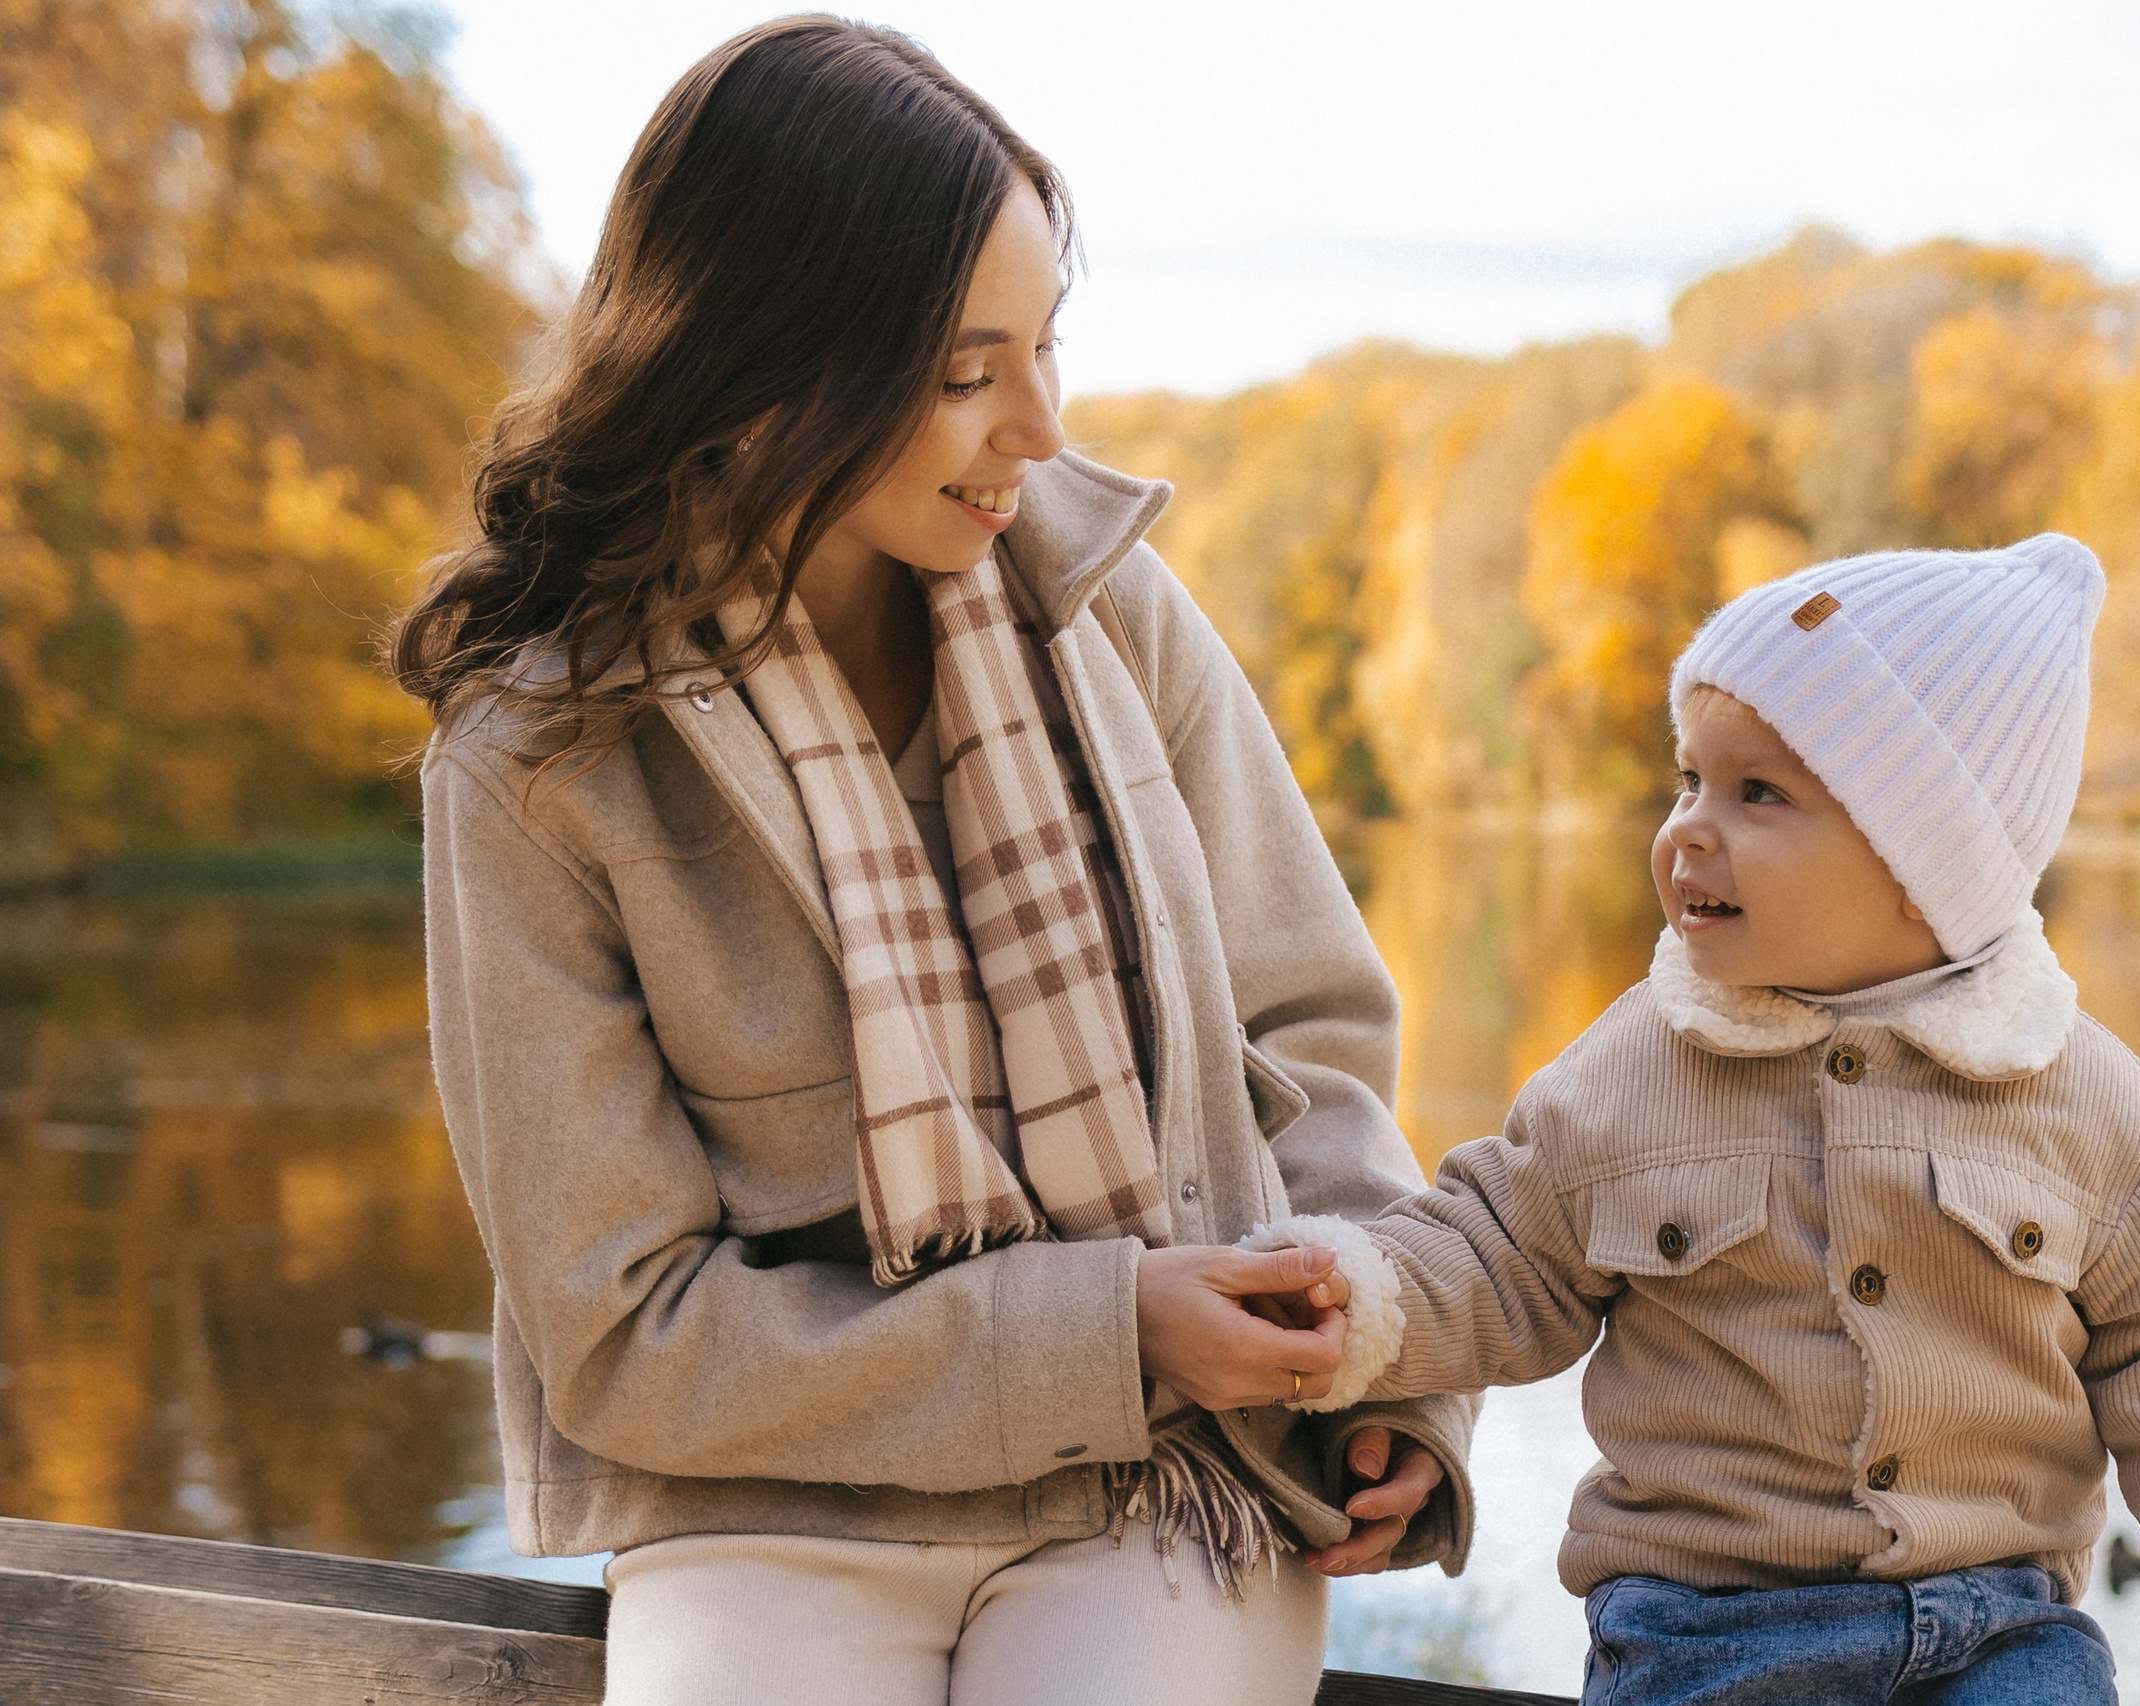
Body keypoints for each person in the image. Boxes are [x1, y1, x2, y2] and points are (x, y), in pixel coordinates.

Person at [389, 19, 1473, 1706]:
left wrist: (1400, 1365)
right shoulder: (541, 760)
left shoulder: (1111, 612)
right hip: (765, 1511)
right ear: (759, 370)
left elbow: (1314, 1045)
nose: (1037, 428)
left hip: (1167, 1484)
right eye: (967, 374)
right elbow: (621, 1332)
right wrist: (1101, 1328)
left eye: (1048, 347)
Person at [1257, 537, 2140, 1704]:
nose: (1689, 827)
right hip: (1704, 1627)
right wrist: (1357, 1300)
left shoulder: (2083, 1099)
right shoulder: (1637, 1065)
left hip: (1998, 1624)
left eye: (1757, 793)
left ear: (1922, 863)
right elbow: (1495, 1251)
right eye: (1690, 779)